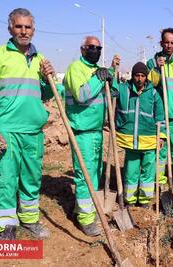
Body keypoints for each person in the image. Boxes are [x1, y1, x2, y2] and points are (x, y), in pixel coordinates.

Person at [0, 8, 60, 240]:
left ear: (33, 30)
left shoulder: (39, 59)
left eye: (28, 27)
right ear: (10, 28)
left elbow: (45, 95)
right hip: (6, 131)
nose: (23, 31)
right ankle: (5, 227)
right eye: (18, 26)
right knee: (5, 178)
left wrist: (47, 79)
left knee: (31, 178)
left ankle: (29, 219)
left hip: (33, 132)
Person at [63, 36, 115, 236]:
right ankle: (85, 218)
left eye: (98, 48)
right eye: (91, 47)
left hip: (96, 131)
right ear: (83, 49)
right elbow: (82, 95)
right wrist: (98, 78)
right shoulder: (76, 68)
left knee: (95, 173)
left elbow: (111, 94)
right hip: (81, 131)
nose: (95, 50)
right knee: (85, 175)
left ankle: (84, 208)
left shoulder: (98, 71)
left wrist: (112, 81)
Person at [115, 62, 166, 207]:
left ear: (146, 77)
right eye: (137, 75)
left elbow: (160, 116)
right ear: (132, 75)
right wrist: (113, 69)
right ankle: (130, 200)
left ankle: (144, 200)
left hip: (149, 140)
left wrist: (161, 135)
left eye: (143, 76)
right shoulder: (124, 90)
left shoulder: (154, 93)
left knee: (148, 172)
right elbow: (112, 91)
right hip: (130, 141)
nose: (139, 79)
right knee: (131, 172)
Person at [146, 28, 173, 190]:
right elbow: (149, 85)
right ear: (161, 43)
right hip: (160, 117)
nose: (169, 45)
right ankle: (161, 181)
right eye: (166, 42)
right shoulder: (152, 63)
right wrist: (157, 69)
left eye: (172, 43)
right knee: (161, 151)